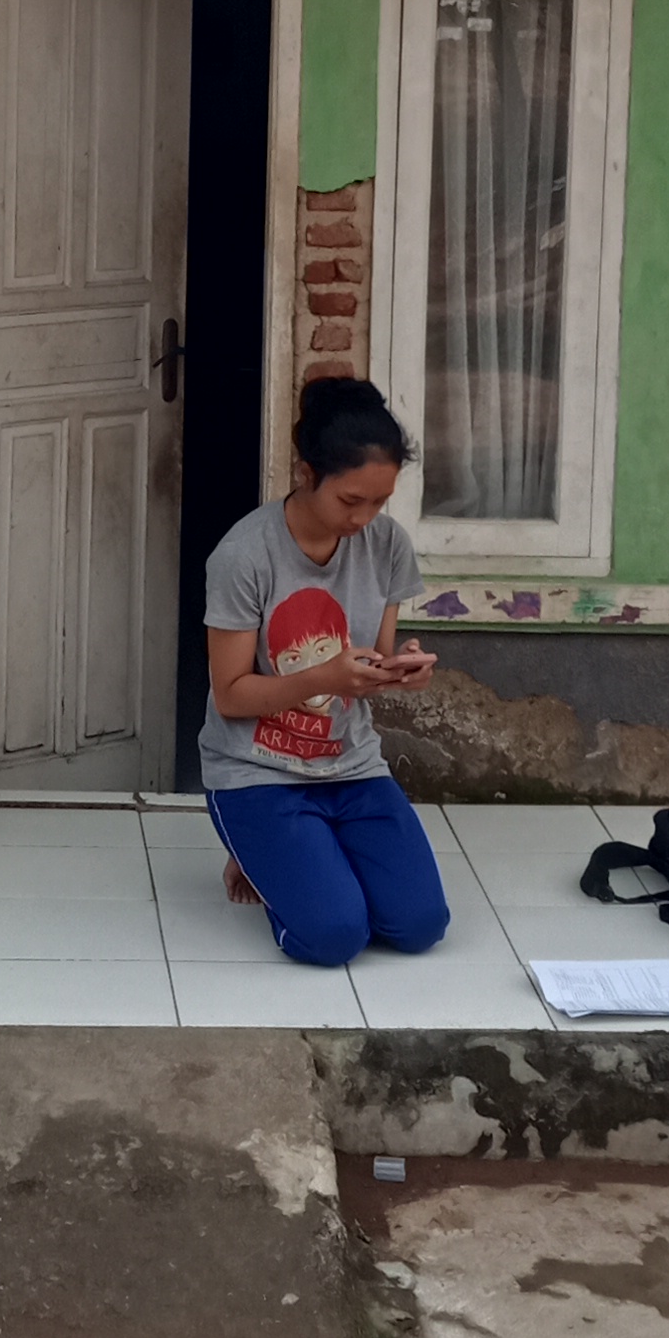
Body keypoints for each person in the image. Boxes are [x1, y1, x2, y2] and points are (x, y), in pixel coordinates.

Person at [199, 375, 450, 968]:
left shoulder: (387, 545)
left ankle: (302, 855)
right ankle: (263, 852)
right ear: (306, 473)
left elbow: (373, 659)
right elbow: (230, 696)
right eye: (350, 500)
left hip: (350, 765)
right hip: (257, 772)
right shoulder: (243, 555)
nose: (365, 518)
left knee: (420, 925)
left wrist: (402, 671)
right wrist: (322, 680)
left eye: (380, 502)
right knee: (334, 937)